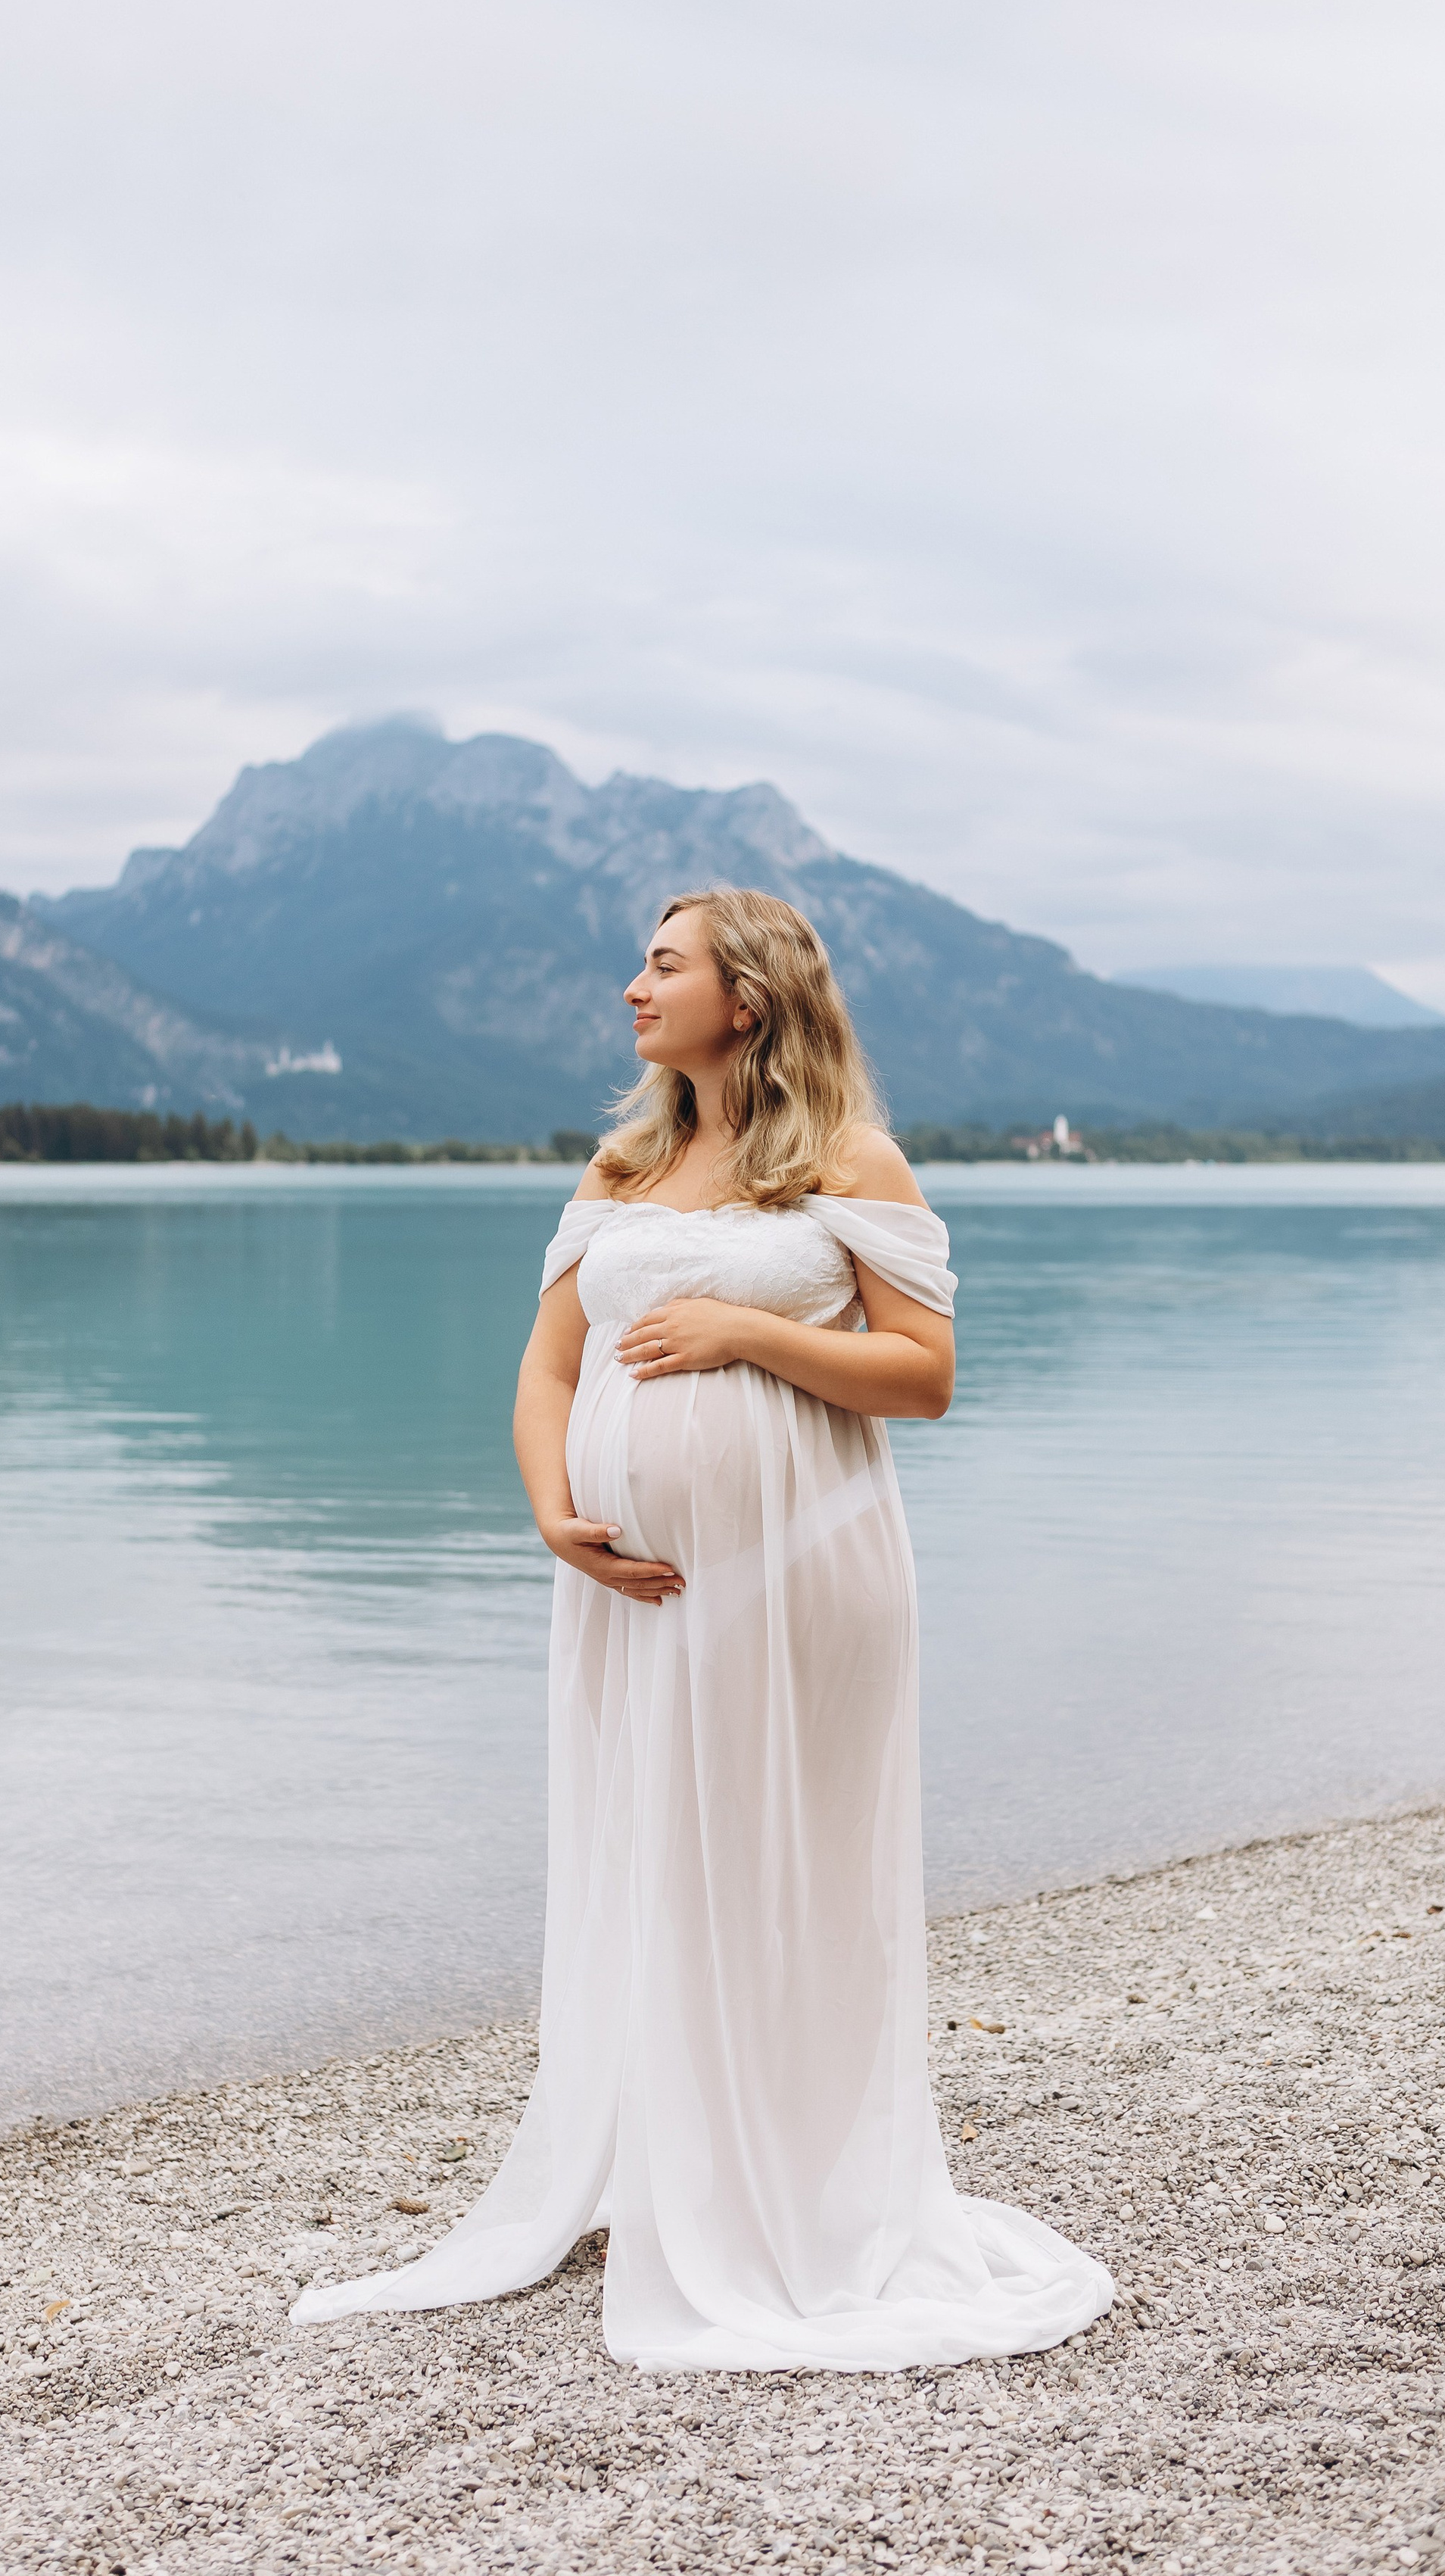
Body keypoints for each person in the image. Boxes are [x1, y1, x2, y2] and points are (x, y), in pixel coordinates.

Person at [294, 887, 1112, 2371]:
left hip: (806, 1573)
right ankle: (674, 2166)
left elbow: (923, 1374)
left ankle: (798, 2190)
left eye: (661, 965)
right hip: (634, 1590)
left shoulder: (848, 1161)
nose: (631, 986)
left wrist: (747, 1334)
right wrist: (552, 1509)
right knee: (655, 1858)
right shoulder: (622, 1166)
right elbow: (550, 1371)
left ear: (746, 997)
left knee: (785, 1868)